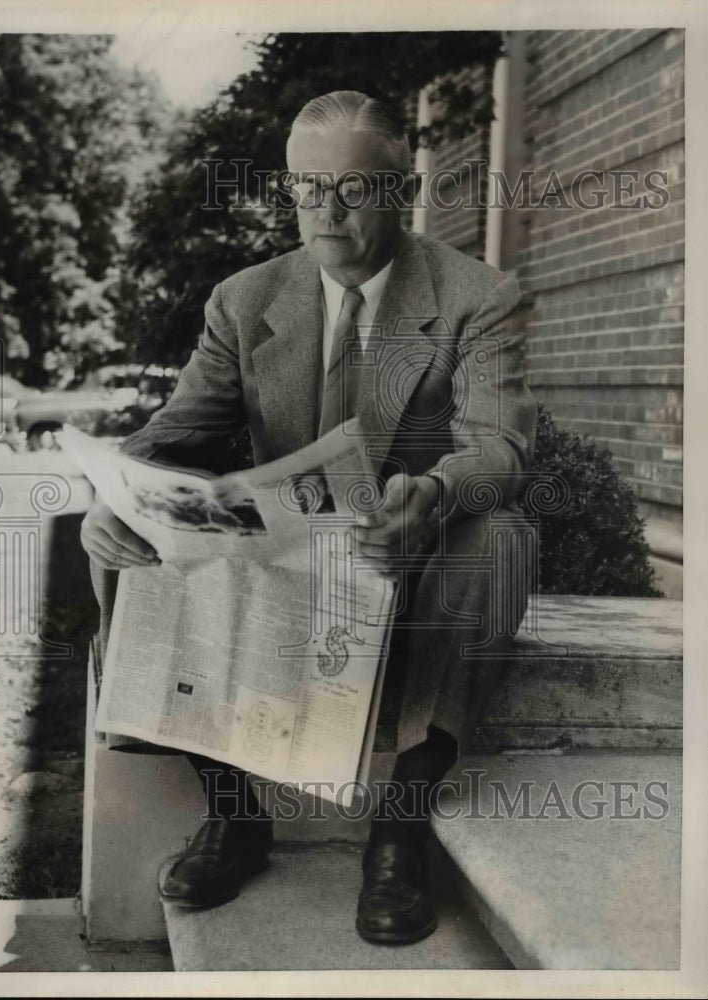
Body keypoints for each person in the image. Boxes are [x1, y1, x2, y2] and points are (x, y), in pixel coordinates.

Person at [81, 90, 537, 945]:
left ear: (401, 191)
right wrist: (117, 493)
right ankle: (233, 812)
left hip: (412, 572)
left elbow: (501, 449)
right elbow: (174, 434)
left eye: (354, 189)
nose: (325, 211)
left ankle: (398, 826)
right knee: (122, 529)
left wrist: (432, 495)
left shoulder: (479, 298)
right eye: (305, 187)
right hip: (291, 565)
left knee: (500, 537)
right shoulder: (246, 299)